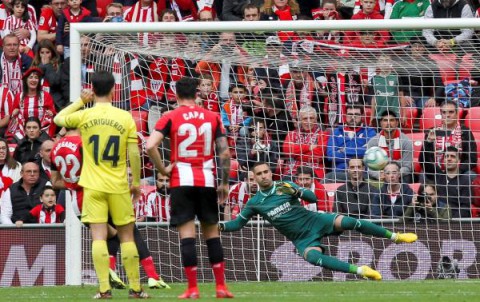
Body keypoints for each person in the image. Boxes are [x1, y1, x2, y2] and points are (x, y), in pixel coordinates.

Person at [219, 162, 418, 280]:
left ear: (271, 173)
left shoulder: (284, 185)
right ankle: (361, 270)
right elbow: (237, 224)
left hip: (315, 220)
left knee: (351, 222)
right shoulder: (254, 203)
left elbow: (313, 199)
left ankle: (396, 236)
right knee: (313, 258)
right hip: (301, 238)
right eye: (259, 174)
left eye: (265, 172)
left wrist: (297, 190)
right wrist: (219, 226)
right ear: (253, 177)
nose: (263, 176)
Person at [53, 71, 147, 299]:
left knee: (98, 237)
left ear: (92, 89)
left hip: (92, 186)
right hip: (117, 185)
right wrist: (136, 182)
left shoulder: (85, 115)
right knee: (126, 236)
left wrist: (81, 102)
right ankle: (135, 288)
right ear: (114, 89)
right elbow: (133, 152)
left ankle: (104, 289)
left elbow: (58, 119)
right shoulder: (125, 117)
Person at [50, 127, 171, 290]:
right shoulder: (83, 143)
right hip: (98, 195)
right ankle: (148, 278)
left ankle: (111, 275)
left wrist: (74, 183)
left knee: (112, 235)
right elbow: (100, 169)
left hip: (78, 202)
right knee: (127, 231)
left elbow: (55, 182)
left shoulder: (55, 148)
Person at [146, 76, 233, 299]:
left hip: (181, 181)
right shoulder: (212, 117)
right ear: (197, 93)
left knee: (187, 236)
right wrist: (223, 183)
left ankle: (192, 289)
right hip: (206, 179)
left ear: (175, 95)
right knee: (212, 234)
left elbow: (150, 145)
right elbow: (224, 152)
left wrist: (163, 170)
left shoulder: (170, 116)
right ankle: (221, 287)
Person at [325, 105, 377, 183]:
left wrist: (344, 150)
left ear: (362, 116)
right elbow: (330, 155)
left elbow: (370, 153)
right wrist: (359, 153)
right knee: (328, 177)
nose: (353, 117)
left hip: (362, 173)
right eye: (350, 114)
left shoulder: (370, 132)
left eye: (356, 114)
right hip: (341, 173)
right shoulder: (337, 132)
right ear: (345, 115)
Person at [422, 145, 472, 218]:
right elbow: (425, 162)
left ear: (458, 161)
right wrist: (428, 143)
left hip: (456, 222)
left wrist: (451, 223)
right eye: (446, 156)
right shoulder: (437, 176)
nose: (449, 159)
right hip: (436, 218)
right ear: (443, 160)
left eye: (452, 156)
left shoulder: (465, 180)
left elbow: (465, 208)